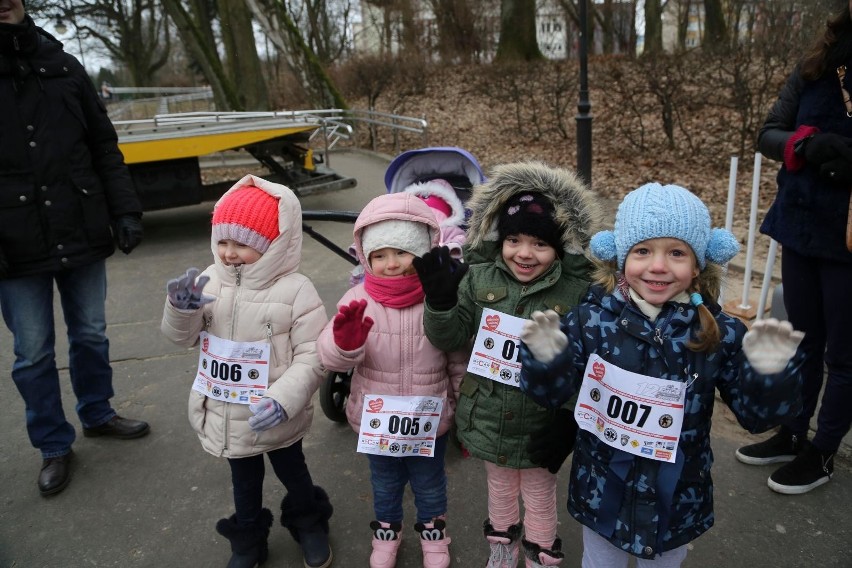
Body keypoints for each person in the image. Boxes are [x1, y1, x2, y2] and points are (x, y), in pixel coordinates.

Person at [518, 183, 806, 567]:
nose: (657, 266)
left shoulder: (717, 331)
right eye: (642, 251)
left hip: (677, 501)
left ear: (699, 263)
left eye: (676, 253)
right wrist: (545, 360)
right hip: (602, 488)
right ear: (620, 258)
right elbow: (551, 393)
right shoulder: (590, 321)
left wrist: (769, 375)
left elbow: (756, 418)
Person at [416, 161, 603, 568]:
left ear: (560, 247)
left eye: (539, 244)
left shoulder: (578, 292)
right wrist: (441, 303)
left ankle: (541, 554)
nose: (524, 253)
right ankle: (502, 549)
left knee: (538, 492)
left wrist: (568, 419)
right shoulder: (478, 278)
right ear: (499, 238)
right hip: (487, 414)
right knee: (499, 490)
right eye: (514, 239)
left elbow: (590, 363)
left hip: (541, 421)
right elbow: (448, 337)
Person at [0, 0, 149, 498]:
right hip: (13, 242)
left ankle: (98, 413)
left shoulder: (63, 66)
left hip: (80, 227)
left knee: (90, 332)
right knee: (32, 352)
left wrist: (125, 210)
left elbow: (104, 143)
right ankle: (52, 445)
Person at [161, 176, 333, 568]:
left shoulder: (296, 290)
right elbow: (181, 339)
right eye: (222, 242)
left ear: (271, 244)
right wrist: (182, 308)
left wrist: (283, 400)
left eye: (242, 244)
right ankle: (248, 539)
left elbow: (313, 356)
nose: (229, 253)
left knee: (293, 471)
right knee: (244, 481)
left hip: (275, 411)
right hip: (226, 412)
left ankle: (309, 522)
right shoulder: (210, 281)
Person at [734, 1, 852, 495]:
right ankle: (791, 432)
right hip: (801, 227)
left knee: (845, 355)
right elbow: (768, 132)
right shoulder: (816, 65)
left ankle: (822, 452)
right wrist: (806, 146)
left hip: (849, 237)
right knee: (801, 342)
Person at [317, 191, 464, 568]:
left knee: (430, 483)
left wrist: (465, 406)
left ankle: (434, 533)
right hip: (378, 420)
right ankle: (387, 531)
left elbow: (457, 357)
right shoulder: (357, 297)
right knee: (384, 483)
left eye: (401, 252)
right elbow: (327, 354)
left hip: (428, 419)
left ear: (422, 252)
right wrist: (344, 347)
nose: (391, 263)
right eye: (379, 255)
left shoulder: (439, 299)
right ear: (365, 256)